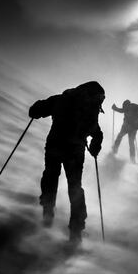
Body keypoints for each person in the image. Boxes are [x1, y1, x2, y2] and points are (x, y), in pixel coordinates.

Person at [29, 81, 105, 244]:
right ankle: (76, 231)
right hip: (75, 153)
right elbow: (97, 133)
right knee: (75, 188)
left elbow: (37, 109)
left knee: (50, 175)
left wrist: (35, 111)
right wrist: (94, 148)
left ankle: (47, 214)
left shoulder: (62, 99)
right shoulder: (90, 110)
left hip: (55, 145)